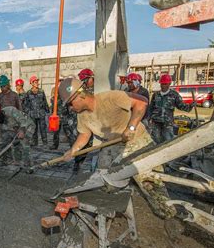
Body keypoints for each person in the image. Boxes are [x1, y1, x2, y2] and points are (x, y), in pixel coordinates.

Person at [59, 77, 176, 219]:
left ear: (81, 94)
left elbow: (141, 102)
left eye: (70, 103)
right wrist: (72, 151)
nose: (70, 108)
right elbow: (84, 134)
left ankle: (167, 213)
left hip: (137, 141)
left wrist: (131, 127)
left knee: (150, 183)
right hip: (112, 145)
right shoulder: (82, 115)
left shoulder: (110, 97)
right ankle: (112, 204)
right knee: (103, 177)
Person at [50, 82, 89, 172]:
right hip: (68, 122)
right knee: (72, 142)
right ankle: (77, 162)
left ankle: (80, 161)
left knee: (81, 141)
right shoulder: (58, 97)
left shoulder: (75, 94)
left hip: (78, 121)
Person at [147, 74, 195, 144]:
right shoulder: (156, 95)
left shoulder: (174, 95)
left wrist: (190, 106)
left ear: (169, 84)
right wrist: (149, 118)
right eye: (162, 84)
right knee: (156, 139)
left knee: (168, 140)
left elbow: (181, 106)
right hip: (156, 122)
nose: (163, 86)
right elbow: (151, 107)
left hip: (167, 122)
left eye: (165, 84)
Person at [0, 104, 35, 170]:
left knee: (24, 143)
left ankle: (28, 165)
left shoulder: (11, 111)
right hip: (12, 128)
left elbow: (23, 121)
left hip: (27, 125)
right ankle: (4, 161)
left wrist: (22, 131)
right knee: (3, 142)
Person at [23, 75, 49, 147]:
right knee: (34, 129)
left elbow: (45, 101)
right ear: (31, 83)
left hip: (41, 113)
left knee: (43, 129)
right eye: (35, 82)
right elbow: (26, 104)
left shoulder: (41, 91)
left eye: (37, 81)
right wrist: (28, 112)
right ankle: (35, 142)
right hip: (32, 114)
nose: (37, 83)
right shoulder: (28, 93)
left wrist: (47, 111)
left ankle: (45, 143)